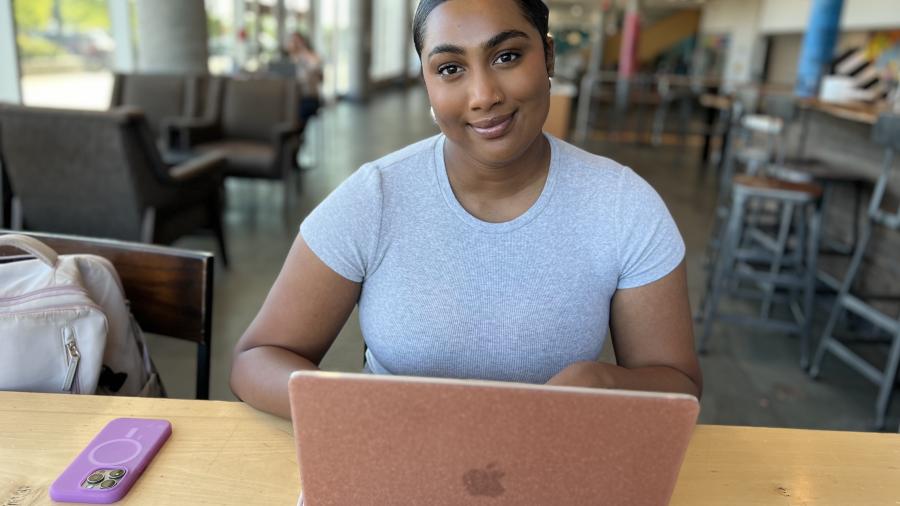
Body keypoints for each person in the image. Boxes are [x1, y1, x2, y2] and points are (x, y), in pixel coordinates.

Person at [231, 0, 702, 419]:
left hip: (557, 464)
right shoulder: (375, 197)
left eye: (508, 56)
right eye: (450, 69)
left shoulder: (623, 205)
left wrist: (607, 384)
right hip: (394, 456)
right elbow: (257, 358)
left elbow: (678, 384)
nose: (484, 96)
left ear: (549, 57)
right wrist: (362, 406)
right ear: (427, 83)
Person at [287, 31, 322, 125]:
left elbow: (316, 65)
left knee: (297, 113)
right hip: (290, 97)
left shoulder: (310, 57)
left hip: (308, 98)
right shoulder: (288, 59)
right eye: (292, 41)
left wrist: (303, 50)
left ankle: (296, 135)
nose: (294, 44)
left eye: (296, 41)